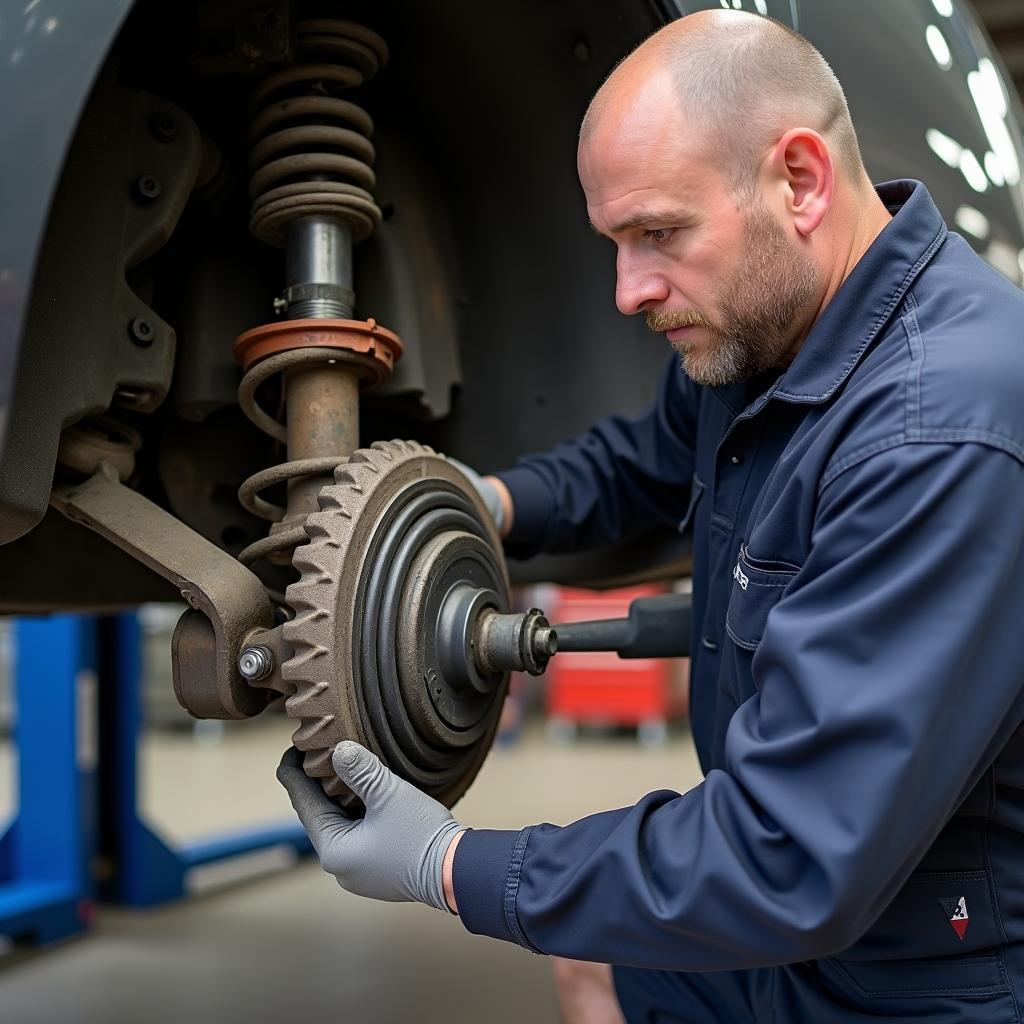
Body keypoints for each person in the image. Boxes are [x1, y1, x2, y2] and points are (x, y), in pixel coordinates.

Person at [277, 10, 1024, 1022]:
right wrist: (474, 508)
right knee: (596, 962)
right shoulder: (778, 325)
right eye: (615, 242)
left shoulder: (938, 433)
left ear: (798, 181)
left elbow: (788, 855)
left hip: (937, 966)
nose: (629, 290)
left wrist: (452, 866)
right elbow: (643, 462)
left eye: (658, 233)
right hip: (834, 907)